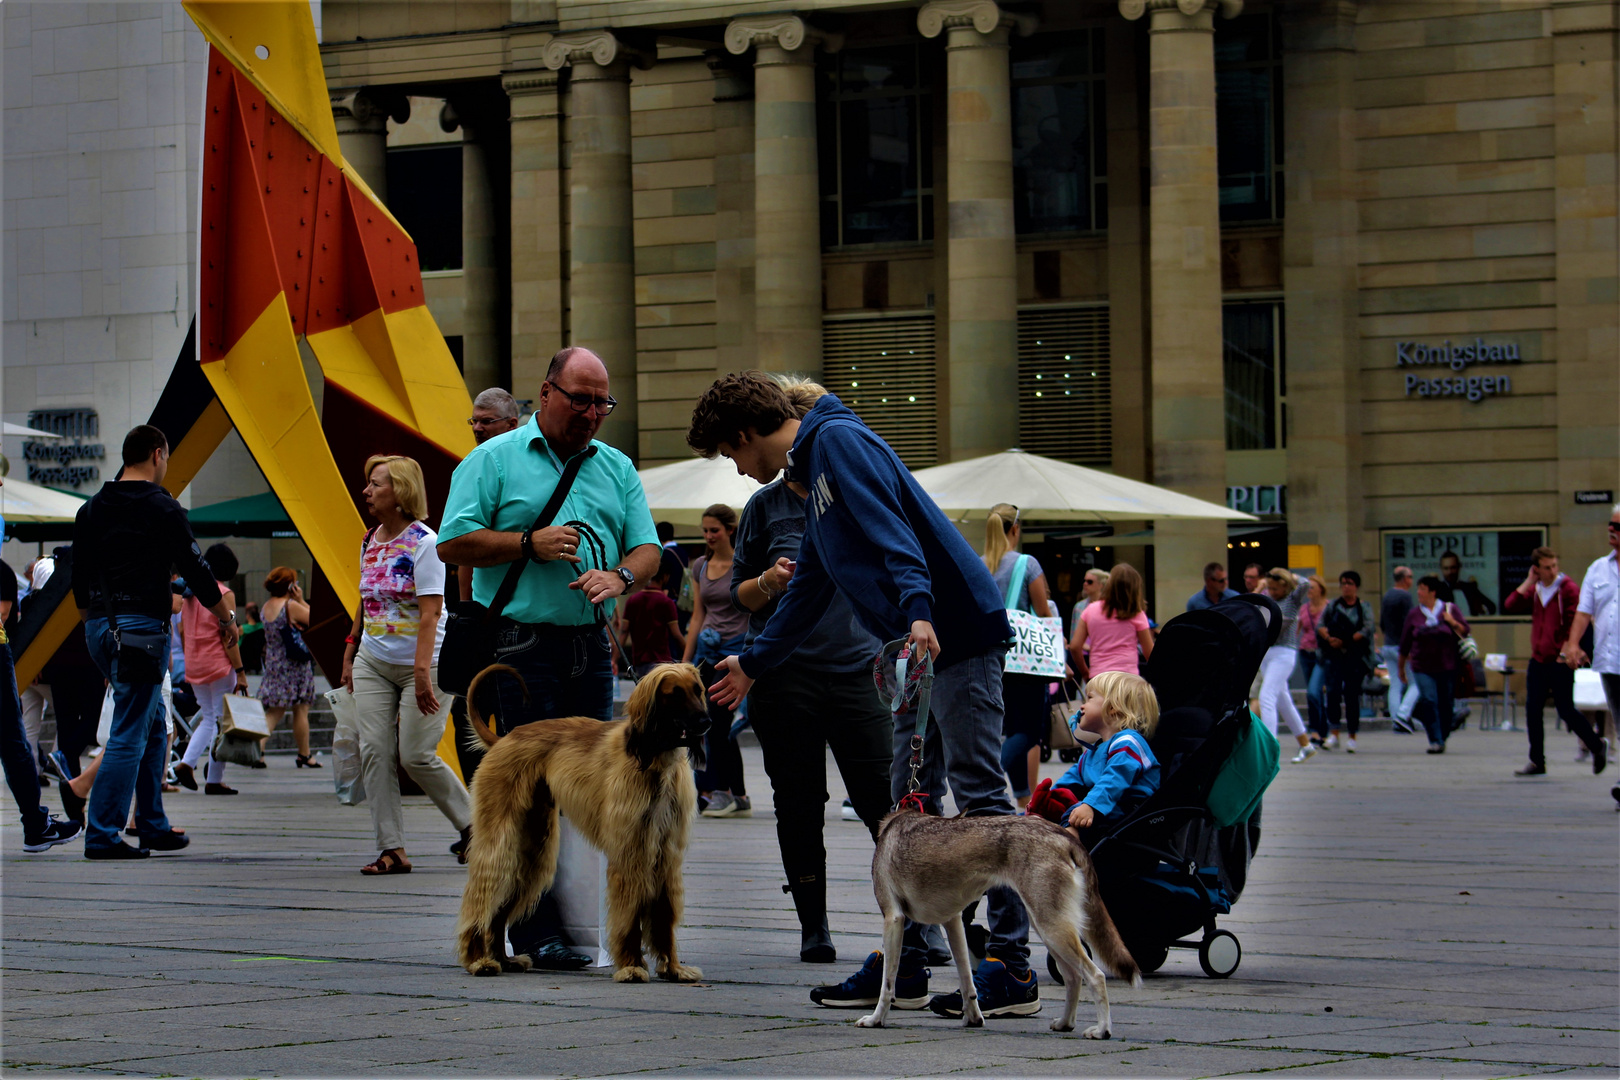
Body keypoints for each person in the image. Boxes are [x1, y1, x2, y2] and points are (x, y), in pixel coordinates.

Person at [688, 371, 1037, 1021]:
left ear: (744, 433)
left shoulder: (840, 442)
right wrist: (754, 662)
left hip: (950, 633)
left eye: (732, 455)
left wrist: (919, 609)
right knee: (907, 807)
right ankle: (907, 963)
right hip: (912, 643)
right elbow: (809, 591)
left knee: (983, 793)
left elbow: (893, 529)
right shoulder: (812, 474)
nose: (738, 474)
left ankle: (1012, 967)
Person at [438, 346, 659, 970]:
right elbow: (453, 543)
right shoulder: (493, 460)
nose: (592, 413)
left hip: (589, 647)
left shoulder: (615, 467)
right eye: (580, 399)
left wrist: (618, 576)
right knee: (528, 791)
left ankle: (593, 925)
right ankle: (534, 934)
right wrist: (525, 543)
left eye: (601, 403)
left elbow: (647, 549)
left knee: (594, 788)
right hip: (517, 646)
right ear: (547, 392)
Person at [728, 375, 891, 963]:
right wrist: (767, 583)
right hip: (784, 674)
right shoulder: (762, 507)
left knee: (883, 800)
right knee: (798, 802)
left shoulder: (846, 488)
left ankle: (914, 924)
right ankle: (813, 924)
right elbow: (737, 595)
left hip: (857, 671)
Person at [72, 425, 237, 858]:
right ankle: (103, 833)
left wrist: (99, 630)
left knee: (153, 725)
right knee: (130, 731)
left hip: (100, 628)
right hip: (142, 631)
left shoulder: (90, 510)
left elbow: (77, 580)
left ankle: (152, 824)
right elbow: (197, 570)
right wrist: (227, 618)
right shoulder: (163, 507)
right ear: (157, 454)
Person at [341, 455, 472, 877]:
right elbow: (366, 601)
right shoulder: (368, 540)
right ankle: (391, 848)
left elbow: (432, 613)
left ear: (399, 493)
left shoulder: (426, 543)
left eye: (375, 484)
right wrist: (350, 649)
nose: (366, 491)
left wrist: (420, 674)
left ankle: (476, 827)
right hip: (373, 660)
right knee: (374, 752)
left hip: (427, 663)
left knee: (415, 755)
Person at [1027, 671, 1161, 849]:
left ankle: (1067, 845)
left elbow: (1114, 780)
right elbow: (1071, 780)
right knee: (1042, 815)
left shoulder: (1128, 742)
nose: (1082, 706)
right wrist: (1048, 800)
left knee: (1073, 815)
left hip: (1132, 813)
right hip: (1105, 809)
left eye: (1089, 698)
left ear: (1113, 707)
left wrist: (1090, 806)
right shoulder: (1093, 751)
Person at [1504, 547, 1606, 776]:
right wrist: (1529, 581)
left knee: (1565, 709)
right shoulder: (1537, 589)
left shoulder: (1568, 589)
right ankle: (1537, 761)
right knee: (1532, 710)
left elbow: (1575, 621)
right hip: (1538, 658)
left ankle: (1597, 745)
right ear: (1537, 569)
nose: (1552, 571)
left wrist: (1567, 650)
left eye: (1554, 566)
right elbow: (1510, 604)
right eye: (1546, 567)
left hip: (1559, 659)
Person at [681, 503, 752, 818]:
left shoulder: (744, 563)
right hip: (706, 655)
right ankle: (728, 793)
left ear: (730, 530)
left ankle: (731, 792)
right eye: (705, 530)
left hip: (736, 653)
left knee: (722, 725)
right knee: (706, 725)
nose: (709, 536)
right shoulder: (699, 566)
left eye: (714, 530)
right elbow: (698, 616)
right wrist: (685, 662)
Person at [983, 502, 1054, 810]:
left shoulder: (979, 563)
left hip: (992, 657)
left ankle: (1023, 797)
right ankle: (988, 775)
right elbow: (1042, 612)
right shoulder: (1026, 563)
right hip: (1027, 660)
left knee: (1012, 728)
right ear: (1015, 530)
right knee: (1030, 732)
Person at [173, 544, 249, 795]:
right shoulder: (223, 594)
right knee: (220, 722)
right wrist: (240, 671)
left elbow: (183, 631)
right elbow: (230, 636)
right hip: (218, 665)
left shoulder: (190, 594)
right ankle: (207, 775)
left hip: (195, 663)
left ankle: (192, 766)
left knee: (209, 718)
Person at [1564, 507, 1620, 790]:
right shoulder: (1598, 568)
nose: (1612, 530)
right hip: (1610, 660)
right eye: (1611, 524)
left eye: (1618, 527)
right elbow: (1584, 612)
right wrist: (1573, 644)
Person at [455, 388, 525, 604]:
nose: (477, 428)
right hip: (490, 607)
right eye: (474, 421)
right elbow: (464, 546)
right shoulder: (473, 465)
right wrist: (466, 609)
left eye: (486, 421)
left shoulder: (529, 465)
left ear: (511, 424)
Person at [1400, 575, 1469, 754]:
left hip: (1447, 665)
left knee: (1445, 703)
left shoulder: (1449, 609)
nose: (1419, 592)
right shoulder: (1414, 614)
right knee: (1429, 700)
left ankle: (1443, 734)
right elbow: (1405, 642)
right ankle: (1435, 740)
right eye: (1418, 589)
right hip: (1422, 666)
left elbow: (1465, 630)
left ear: (1433, 591)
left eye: (1422, 589)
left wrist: (1451, 621)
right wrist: (1401, 668)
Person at [1258, 569, 1322, 762]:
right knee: (1283, 701)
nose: (1272, 591)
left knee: (1266, 697)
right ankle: (1305, 744)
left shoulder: (1292, 599)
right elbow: (1251, 602)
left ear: (1284, 586)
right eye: (1270, 587)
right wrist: (1262, 586)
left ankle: (1270, 749)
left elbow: (1305, 584)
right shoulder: (1267, 597)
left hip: (1284, 653)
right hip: (1267, 653)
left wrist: (1289, 575)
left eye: (1275, 588)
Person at [259, 567, 320, 767]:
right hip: (294, 665)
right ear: (291, 586)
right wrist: (302, 600)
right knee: (300, 709)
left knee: (275, 710)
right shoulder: (290, 606)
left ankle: (259, 750)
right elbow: (315, 620)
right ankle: (303, 754)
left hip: (274, 663)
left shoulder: (266, 606)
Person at [1316, 570, 1374, 750]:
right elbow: (1320, 625)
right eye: (1343, 583)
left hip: (1354, 657)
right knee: (1332, 693)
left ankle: (1352, 735)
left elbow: (1367, 629)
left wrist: (1346, 640)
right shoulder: (1333, 606)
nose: (1346, 587)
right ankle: (1334, 733)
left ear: (1356, 586)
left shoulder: (1363, 607)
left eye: (1349, 583)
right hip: (1334, 657)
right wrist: (1329, 639)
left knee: (1351, 695)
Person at [1071, 564, 1153, 678]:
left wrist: (1085, 672)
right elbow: (1150, 653)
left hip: (1099, 676)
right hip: (1127, 677)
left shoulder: (1090, 610)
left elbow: (1075, 646)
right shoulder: (1136, 613)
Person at [621, 564, 684, 679]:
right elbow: (676, 634)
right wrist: (689, 654)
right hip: (661, 661)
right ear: (665, 577)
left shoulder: (632, 600)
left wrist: (614, 659)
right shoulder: (666, 602)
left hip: (639, 661)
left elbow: (624, 631)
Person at [1379, 566, 1418, 726]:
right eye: (1411, 577)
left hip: (1388, 645)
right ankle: (1403, 714)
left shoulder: (1387, 595)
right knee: (1416, 683)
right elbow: (1409, 624)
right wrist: (1410, 646)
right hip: (1402, 646)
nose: (1412, 580)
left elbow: (1382, 622)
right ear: (1404, 579)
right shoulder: (1405, 597)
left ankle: (1396, 720)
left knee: (1395, 684)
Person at [1296, 576, 1329, 736]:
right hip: (1305, 652)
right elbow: (1295, 630)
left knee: (1314, 691)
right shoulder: (1304, 609)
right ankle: (1317, 730)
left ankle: (1319, 728)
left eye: (1312, 588)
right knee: (1313, 692)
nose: (1309, 591)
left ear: (1320, 589)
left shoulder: (1328, 607)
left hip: (1322, 654)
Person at [1439, 549, 1497, 617]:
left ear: (1459, 567)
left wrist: (1482, 609)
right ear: (1441, 569)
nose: (1450, 572)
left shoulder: (1469, 587)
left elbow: (1492, 607)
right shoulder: (1437, 589)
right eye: (1446, 568)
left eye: (1453, 568)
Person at [1068, 566, 1108, 648]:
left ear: (1101, 585)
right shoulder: (1079, 606)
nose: (1085, 584)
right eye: (1084, 581)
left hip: (1102, 652)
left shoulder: (1109, 606)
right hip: (1081, 653)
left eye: (1090, 582)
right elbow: (1074, 634)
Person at [238, 600, 265, 674]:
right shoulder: (262, 627)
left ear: (247, 615)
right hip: (257, 660)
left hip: (244, 661)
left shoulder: (242, 628)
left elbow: (238, 645)